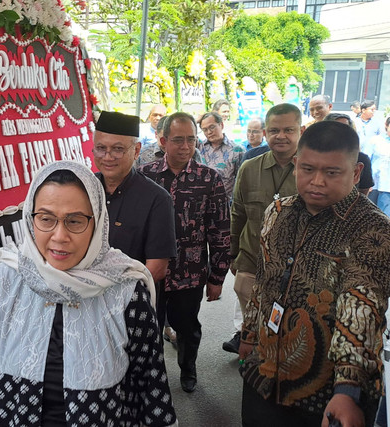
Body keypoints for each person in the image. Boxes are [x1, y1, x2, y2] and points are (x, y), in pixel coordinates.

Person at [0, 161, 178, 427]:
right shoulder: (6, 277)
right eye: (46, 218)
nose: (59, 236)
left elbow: (148, 386)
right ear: (30, 218)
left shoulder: (124, 288)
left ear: (98, 222)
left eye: (75, 221)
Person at [239, 121, 390, 427]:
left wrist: (347, 390)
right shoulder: (278, 212)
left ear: (356, 173)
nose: (316, 181)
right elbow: (265, 279)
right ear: (296, 164)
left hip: (325, 396)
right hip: (262, 375)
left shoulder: (372, 228)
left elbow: (361, 307)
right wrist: (250, 334)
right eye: (307, 169)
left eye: (332, 172)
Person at [140, 112, 231, 393]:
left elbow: (220, 231)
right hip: (150, 271)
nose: (185, 147)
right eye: (178, 140)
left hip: (190, 274)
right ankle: (151, 375)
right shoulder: (145, 176)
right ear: (163, 140)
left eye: (191, 140)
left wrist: (217, 277)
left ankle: (188, 368)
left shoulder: (209, 180)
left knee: (187, 327)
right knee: (147, 327)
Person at [225, 103, 302, 355]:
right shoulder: (249, 167)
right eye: (274, 130)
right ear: (266, 133)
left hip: (295, 269)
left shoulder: (310, 170)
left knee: (289, 334)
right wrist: (232, 254)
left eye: (288, 130)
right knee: (254, 332)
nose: (281, 136)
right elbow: (238, 214)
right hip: (251, 261)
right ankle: (254, 376)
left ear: (301, 130)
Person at [93, 111, 177, 332]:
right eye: (101, 148)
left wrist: (108, 294)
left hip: (132, 310)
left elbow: (156, 269)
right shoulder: (83, 190)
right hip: (86, 307)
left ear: (136, 150)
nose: (108, 156)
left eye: (118, 149)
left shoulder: (157, 199)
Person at [198, 111, 245, 200]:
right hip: (202, 203)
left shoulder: (237, 150)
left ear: (221, 125)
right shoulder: (199, 147)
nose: (209, 132)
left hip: (226, 203)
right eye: (205, 129)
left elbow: (242, 182)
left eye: (212, 127)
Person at [324, 112, 374, 195]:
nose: (340, 133)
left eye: (345, 129)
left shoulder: (361, 159)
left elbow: (364, 191)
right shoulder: (315, 156)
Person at [368, 116, 390, 216]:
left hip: (387, 187)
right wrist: (367, 181)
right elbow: (366, 160)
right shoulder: (376, 140)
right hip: (373, 185)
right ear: (386, 125)